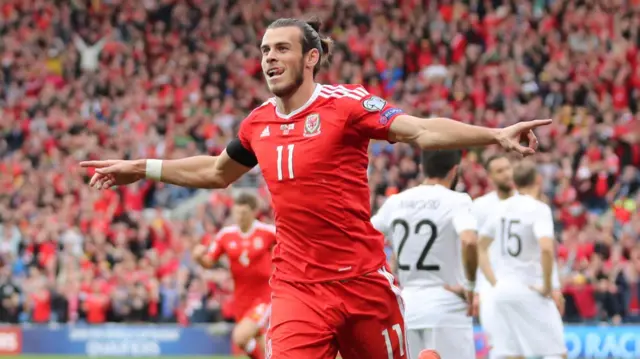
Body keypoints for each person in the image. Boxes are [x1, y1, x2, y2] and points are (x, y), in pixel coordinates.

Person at [81, 18, 550, 359]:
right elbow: (216, 172)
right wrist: (143, 167)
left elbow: (421, 131)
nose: (269, 58)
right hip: (296, 287)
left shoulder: (348, 105)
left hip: (363, 282)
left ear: (311, 57)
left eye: (281, 49)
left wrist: (495, 134)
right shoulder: (257, 122)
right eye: (265, 50)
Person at [371, 150, 478, 359]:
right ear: (454, 170)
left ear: (421, 168)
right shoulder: (458, 200)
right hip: (447, 305)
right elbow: (469, 240)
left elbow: (365, 237)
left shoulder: (396, 202)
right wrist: (471, 287)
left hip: (406, 305)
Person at [471, 155, 564, 359]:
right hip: (512, 289)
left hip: (504, 289)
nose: (506, 174)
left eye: (508, 169)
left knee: (508, 353)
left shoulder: (505, 207)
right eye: (499, 170)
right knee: (551, 352)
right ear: (489, 177)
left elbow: (479, 246)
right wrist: (480, 288)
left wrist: (553, 286)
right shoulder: (481, 206)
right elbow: (546, 248)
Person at [192, 193, 275, 359]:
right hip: (241, 299)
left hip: (264, 297)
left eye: (243, 213)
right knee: (254, 343)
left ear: (254, 212)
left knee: (240, 336)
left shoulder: (267, 232)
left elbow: (291, 246)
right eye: (236, 213)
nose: (239, 217)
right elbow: (209, 261)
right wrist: (199, 257)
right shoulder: (226, 235)